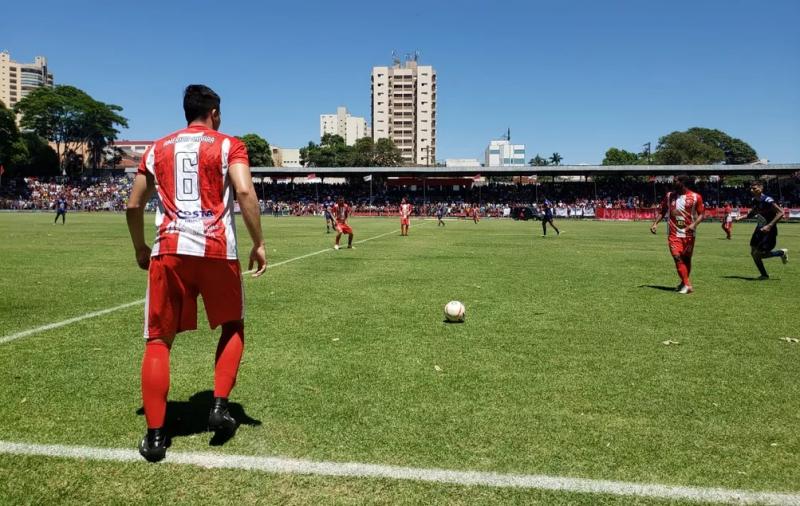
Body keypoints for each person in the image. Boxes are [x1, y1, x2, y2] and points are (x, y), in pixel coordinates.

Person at [125, 85, 267, 463]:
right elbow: (245, 191)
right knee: (233, 325)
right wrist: (258, 242)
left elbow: (133, 202)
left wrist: (140, 246)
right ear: (215, 113)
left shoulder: (156, 148)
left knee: (158, 340)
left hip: (169, 250)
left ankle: (156, 436)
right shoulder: (228, 144)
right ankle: (220, 406)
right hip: (218, 250)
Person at [649, 175, 705, 294]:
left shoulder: (696, 197)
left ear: (682, 182)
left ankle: (683, 283)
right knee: (677, 257)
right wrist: (655, 224)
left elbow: (701, 214)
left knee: (686, 259)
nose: (672, 182)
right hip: (674, 233)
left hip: (689, 233)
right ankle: (687, 285)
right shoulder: (669, 196)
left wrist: (693, 225)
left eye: (675, 181)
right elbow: (663, 211)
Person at [736, 181, 788, 279]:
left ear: (761, 188)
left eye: (754, 188)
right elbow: (754, 212)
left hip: (769, 231)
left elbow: (781, 212)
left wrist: (769, 226)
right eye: (751, 188)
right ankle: (764, 275)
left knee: (759, 254)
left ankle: (780, 253)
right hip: (759, 228)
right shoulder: (754, 200)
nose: (752, 190)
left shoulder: (768, 200)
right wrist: (741, 217)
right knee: (753, 252)